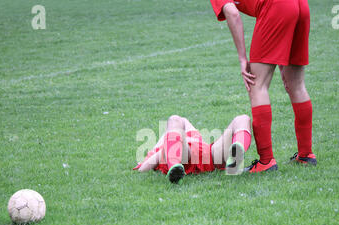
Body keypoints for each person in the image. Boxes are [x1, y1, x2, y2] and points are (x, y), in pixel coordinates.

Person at [209, 0, 317, 173]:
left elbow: (233, 13)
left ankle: (266, 162)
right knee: (296, 85)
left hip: (276, 7)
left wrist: (242, 59)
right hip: (300, 5)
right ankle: (306, 155)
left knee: (256, 85)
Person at [133, 115, 252, 183]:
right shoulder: (162, 148)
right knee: (175, 119)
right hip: (189, 156)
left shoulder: (177, 135)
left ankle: (236, 152)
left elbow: (183, 122)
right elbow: (144, 167)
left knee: (243, 118)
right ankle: (174, 165)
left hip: (206, 154)